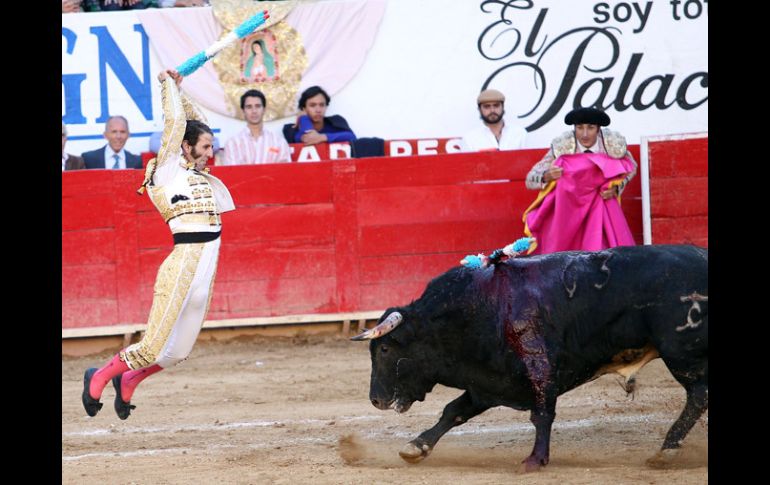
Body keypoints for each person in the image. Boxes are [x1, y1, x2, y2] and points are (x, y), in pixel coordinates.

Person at [81, 68, 235, 420]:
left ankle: (129, 380)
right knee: (151, 345)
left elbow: (199, 121)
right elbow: (178, 123)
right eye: (206, 146)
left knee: (178, 351)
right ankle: (100, 375)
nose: (210, 152)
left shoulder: (199, 173)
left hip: (205, 273)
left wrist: (181, 90)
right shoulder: (167, 172)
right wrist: (168, 87)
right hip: (181, 267)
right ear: (185, 146)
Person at [522, 107, 637, 254]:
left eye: (590, 128)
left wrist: (616, 188)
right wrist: (546, 176)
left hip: (599, 206)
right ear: (574, 128)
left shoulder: (611, 145)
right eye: (579, 127)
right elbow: (530, 179)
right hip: (569, 210)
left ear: (598, 129)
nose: (584, 134)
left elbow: (631, 167)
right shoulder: (563, 146)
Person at [222, 89, 290, 165]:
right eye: (249, 107)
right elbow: (232, 174)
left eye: (258, 106)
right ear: (243, 111)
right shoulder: (233, 143)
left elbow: (285, 172)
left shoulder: (279, 142)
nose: (254, 111)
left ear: (264, 109)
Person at [282, 86, 357, 146]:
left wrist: (322, 137)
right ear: (304, 108)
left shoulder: (336, 121)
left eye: (322, 105)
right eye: (312, 105)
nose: (318, 110)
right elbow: (309, 137)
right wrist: (303, 118)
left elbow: (352, 137)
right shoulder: (291, 129)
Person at [460, 89, 527, 152]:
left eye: (496, 105)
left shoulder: (519, 133)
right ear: (479, 109)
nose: (492, 110)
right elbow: (467, 164)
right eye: (487, 106)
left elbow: (531, 161)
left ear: (503, 107)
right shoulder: (470, 138)